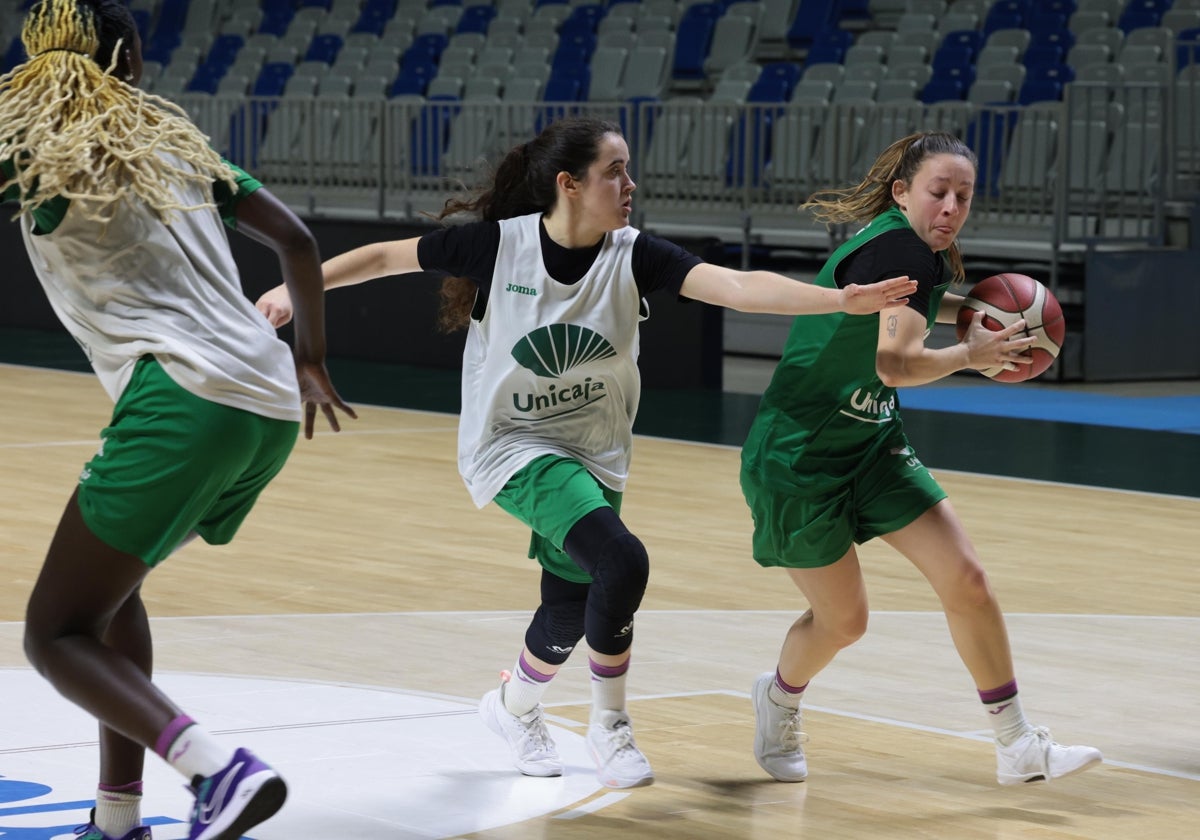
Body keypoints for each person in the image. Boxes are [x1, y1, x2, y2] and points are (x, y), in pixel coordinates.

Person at [254, 115, 916, 789]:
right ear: (569, 185)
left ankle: (513, 706)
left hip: (594, 453)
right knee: (622, 561)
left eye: (628, 170)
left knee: (571, 606)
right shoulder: (497, 247)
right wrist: (290, 289)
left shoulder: (633, 254)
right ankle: (612, 727)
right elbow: (381, 257)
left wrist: (840, 299)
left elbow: (739, 288)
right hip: (511, 448)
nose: (630, 184)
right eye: (615, 172)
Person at [2, 2, 356, 839]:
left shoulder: (29, 151)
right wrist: (309, 358)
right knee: (111, 596)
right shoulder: (177, 146)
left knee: (53, 634)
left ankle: (215, 770)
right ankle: (117, 823)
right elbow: (299, 242)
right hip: (265, 403)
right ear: (130, 58)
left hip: (183, 401)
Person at [739, 131, 1103, 786]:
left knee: (967, 580)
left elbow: (911, 325)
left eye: (963, 196)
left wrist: (982, 312)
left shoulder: (916, 251)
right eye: (939, 191)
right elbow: (896, 363)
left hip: (872, 439)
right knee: (844, 622)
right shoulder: (900, 248)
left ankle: (1017, 744)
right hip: (799, 455)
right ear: (902, 191)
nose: (952, 207)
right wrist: (973, 355)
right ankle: (780, 696)